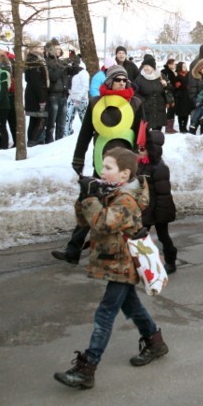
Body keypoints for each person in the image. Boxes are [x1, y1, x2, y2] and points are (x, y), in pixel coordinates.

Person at [53, 147, 168, 389]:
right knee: (132, 306)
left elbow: (104, 224)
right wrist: (84, 197)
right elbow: (84, 221)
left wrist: (90, 200)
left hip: (123, 263)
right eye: (102, 166)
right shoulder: (110, 192)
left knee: (105, 313)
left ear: (124, 174)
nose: (101, 172)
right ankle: (155, 343)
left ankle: (87, 367)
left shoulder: (126, 199)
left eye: (108, 168)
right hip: (115, 261)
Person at [51, 65, 143, 264]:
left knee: (125, 208)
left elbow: (140, 134)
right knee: (88, 203)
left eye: (124, 80)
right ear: (109, 81)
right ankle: (73, 250)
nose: (121, 83)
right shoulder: (96, 103)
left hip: (125, 164)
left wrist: (140, 159)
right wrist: (78, 158)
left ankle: (131, 251)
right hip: (103, 161)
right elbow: (85, 133)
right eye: (117, 79)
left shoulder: (135, 103)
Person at [137, 128, 178, 273]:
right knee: (140, 236)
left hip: (159, 209)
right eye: (139, 148)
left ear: (152, 150)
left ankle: (171, 260)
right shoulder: (141, 165)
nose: (140, 151)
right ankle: (143, 263)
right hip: (146, 208)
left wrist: (161, 214)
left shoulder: (160, 168)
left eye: (143, 148)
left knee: (163, 236)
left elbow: (163, 194)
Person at [24, 41, 48, 147]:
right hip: (36, 96)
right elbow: (36, 83)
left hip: (32, 95)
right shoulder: (34, 62)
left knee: (34, 120)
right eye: (39, 47)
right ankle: (32, 142)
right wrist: (42, 100)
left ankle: (31, 142)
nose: (42, 49)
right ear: (34, 49)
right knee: (41, 120)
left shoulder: (33, 60)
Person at [0, 41, 17, 149]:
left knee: (7, 121)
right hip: (9, 94)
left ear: (4, 50)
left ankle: (5, 143)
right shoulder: (6, 60)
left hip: (9, 94)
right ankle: (10, 142)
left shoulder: (7, 62)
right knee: (7, 121)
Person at [44, 39, 69, 143]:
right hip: (53, 95)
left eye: (59, 48)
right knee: (51, 124)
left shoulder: (60, 62)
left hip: (63, 94)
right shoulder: (47, 62)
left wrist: (75, 66)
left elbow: (67, 74)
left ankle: (60, 143)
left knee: (61, 124)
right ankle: (49, 143)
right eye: (56, 49)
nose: (59, 51)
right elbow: (53, 77)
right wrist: (62, 67)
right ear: (50, 50)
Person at [134, 54, 168, 131]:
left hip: (159, 109)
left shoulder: (160, 76)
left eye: (147, 66)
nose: (145, 68)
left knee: (157, 133)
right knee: (146, 134)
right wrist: (142, 101)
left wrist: (166, 85)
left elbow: (170, 89)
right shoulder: (140, 78)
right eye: (144, 66)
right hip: (146, 110)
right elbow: (134, 92)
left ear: (153, 67)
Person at [64, 58, 89, 137]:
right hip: (71, 98)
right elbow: (69, 85)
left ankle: (87, 136)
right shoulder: (71, 73)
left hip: (82, 100)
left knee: (84, 120)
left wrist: (79, 97)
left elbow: (85, 87)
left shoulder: (83, 73)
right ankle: (66, 134)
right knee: (67, 118)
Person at [173, 61, 192, 133]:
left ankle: (185, 127)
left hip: (187, 96)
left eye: (185, 66)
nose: (185, 67)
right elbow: (177, 85)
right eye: (183, 66)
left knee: (186, 113)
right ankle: (181, 127)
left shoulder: (188, 74)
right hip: (180, 97)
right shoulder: (177, 75)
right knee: (181, 113)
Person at [161, 58, 178, 134]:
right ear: (169, 64)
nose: (174, 65)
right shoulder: (164, 72)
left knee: (172, 110)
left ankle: (170, 127)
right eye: (173, 64)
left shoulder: (172, 72)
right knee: (169, 109)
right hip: (167, 94)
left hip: (172, 93)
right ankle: (168, 127)